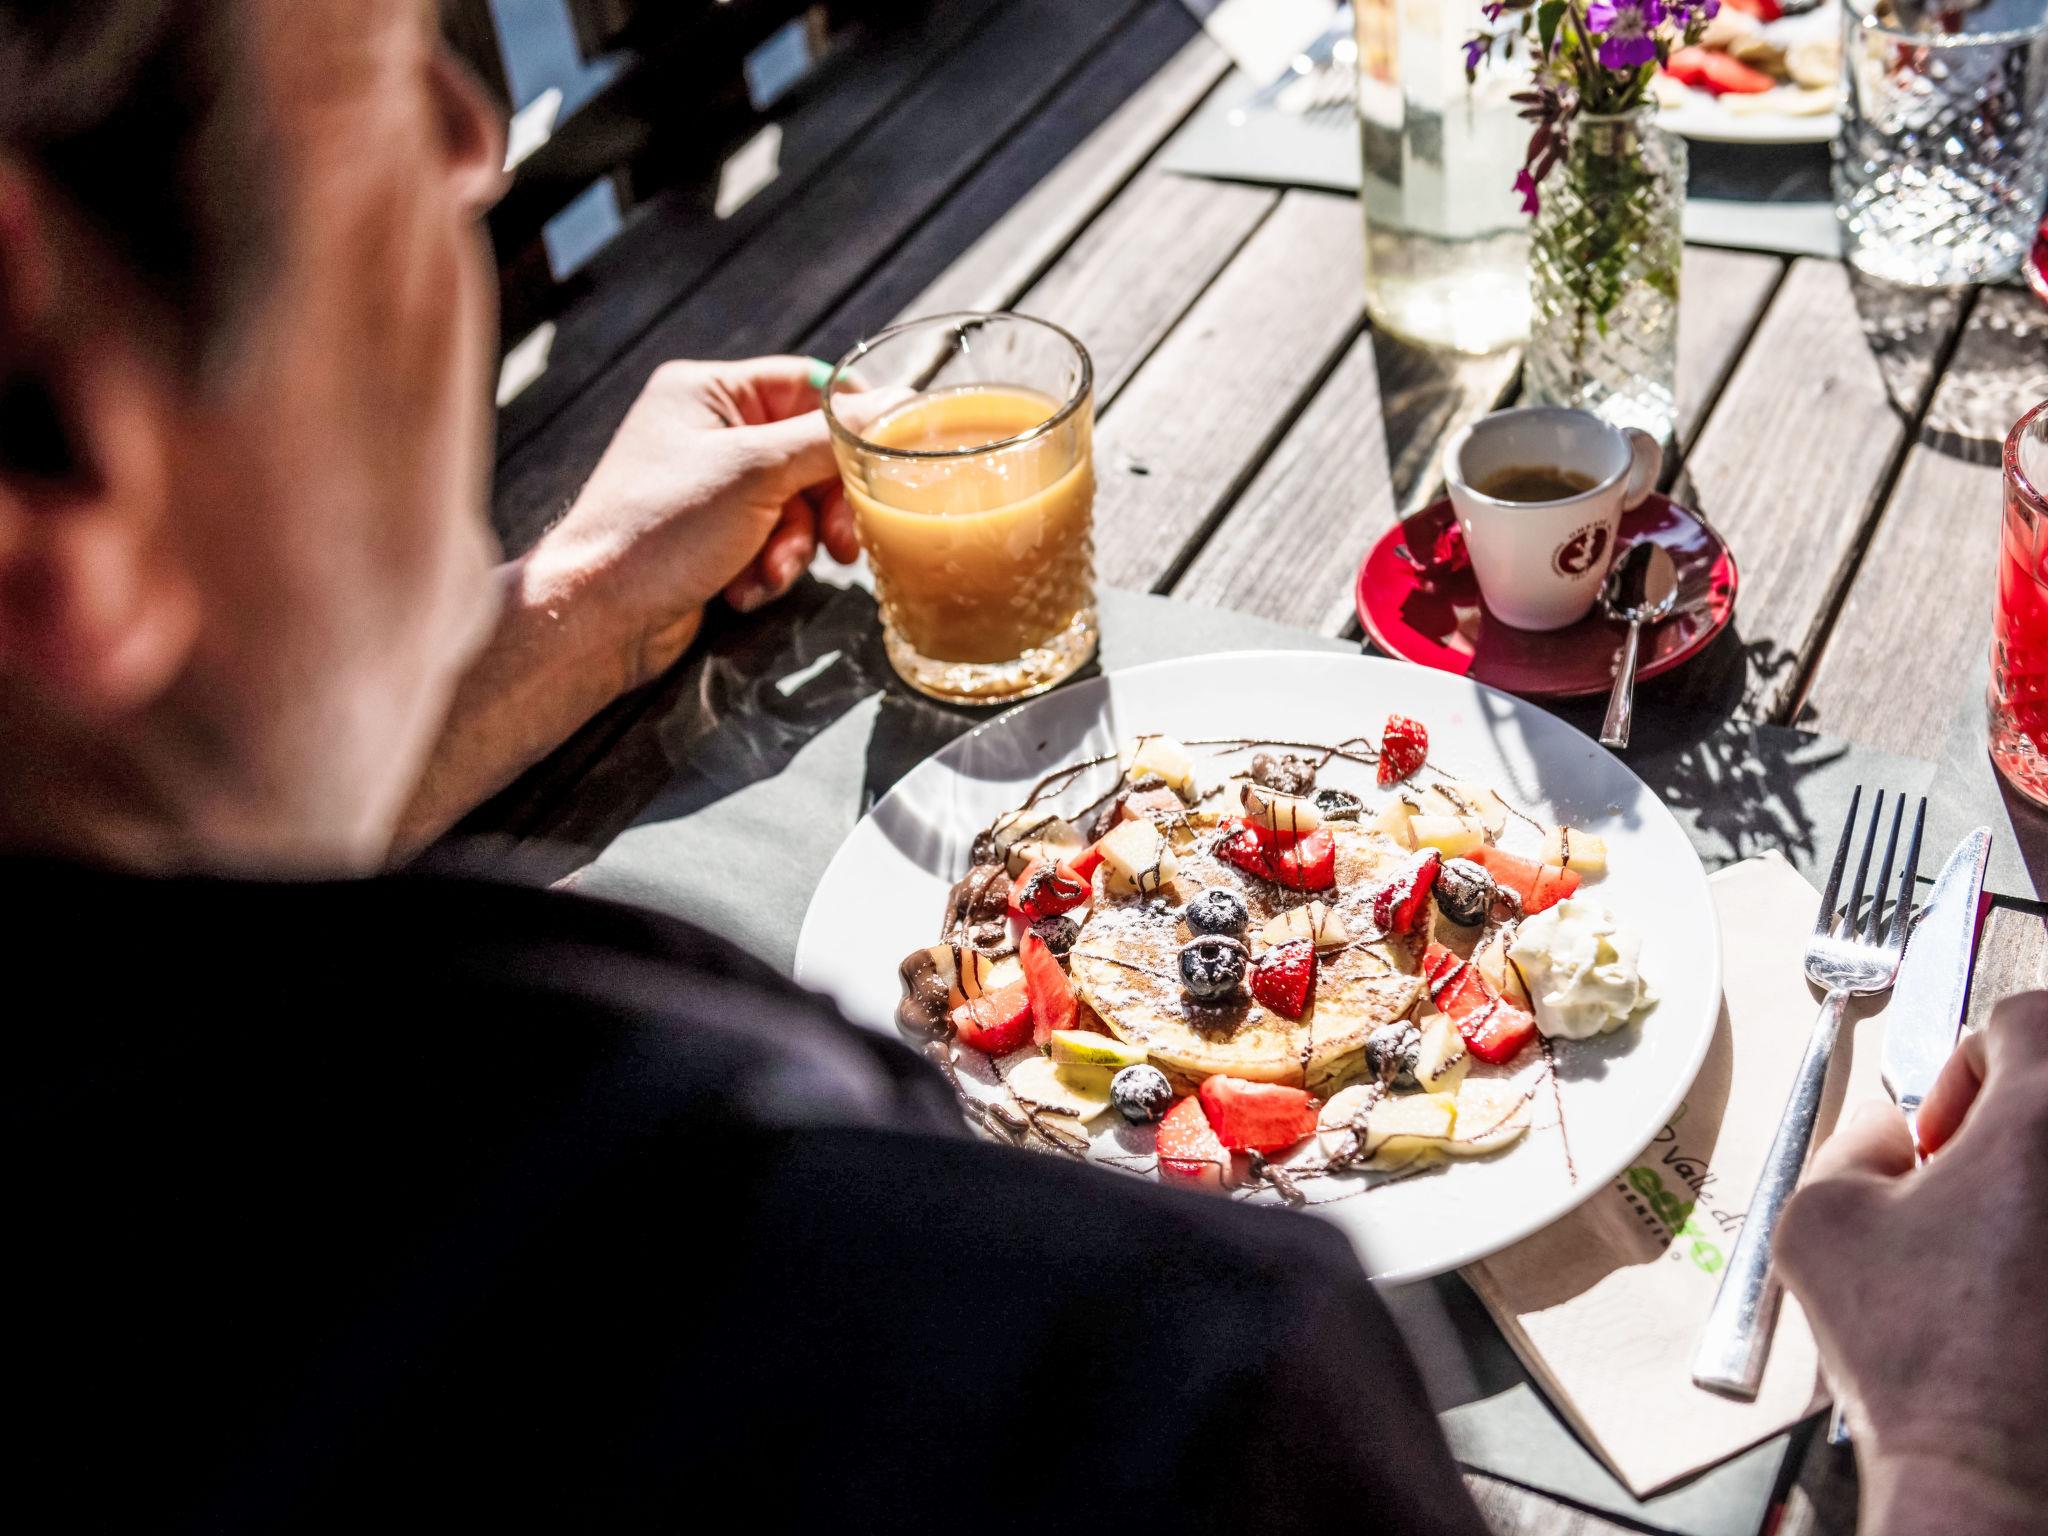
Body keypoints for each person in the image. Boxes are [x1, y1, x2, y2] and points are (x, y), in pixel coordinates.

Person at [0, 4, 2037, 1533]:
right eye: (366, 71)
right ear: (61, 430)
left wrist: (577, 616)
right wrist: (1966, 1450)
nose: (475, 133)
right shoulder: (1102, 1378)